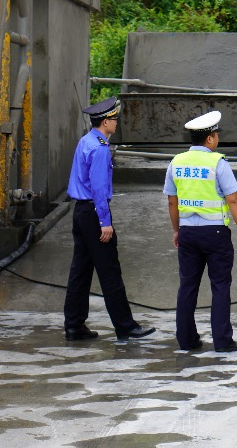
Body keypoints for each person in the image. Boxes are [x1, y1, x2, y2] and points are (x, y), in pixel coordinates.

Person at [64, 96, 155, 342]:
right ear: (105, 121)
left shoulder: (86, 141)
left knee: (80, 271)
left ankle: (73, 324)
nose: (117, 123)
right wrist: (105, 222)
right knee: (110, 271)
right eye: (115, 119)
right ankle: (125, 325)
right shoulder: (100, 148)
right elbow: (99, 189)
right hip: (94, 212)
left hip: (81, 212)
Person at [164, 110, 237, 353]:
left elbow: (172, 201)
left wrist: (176, 230)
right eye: (216, 134)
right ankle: (222, 341)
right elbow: (233, 199)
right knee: (220, 285)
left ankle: (187, 340)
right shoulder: (217, 162)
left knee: (187, 286)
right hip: (216, 234)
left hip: (188, 232)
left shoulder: (176, 162)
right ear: (210, 139)